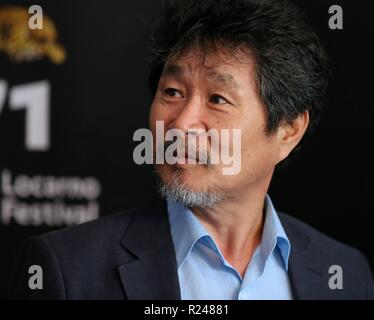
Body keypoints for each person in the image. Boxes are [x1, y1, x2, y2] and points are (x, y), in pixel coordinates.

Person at [9, 0, 374, 299]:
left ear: (288, 130)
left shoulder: (343, 272)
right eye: (172, 92)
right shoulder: (66, 271)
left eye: (218, 99)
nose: (181, 124)